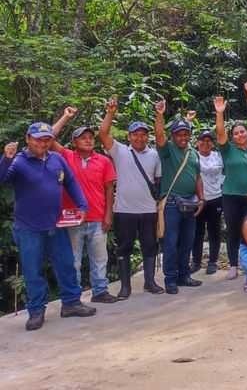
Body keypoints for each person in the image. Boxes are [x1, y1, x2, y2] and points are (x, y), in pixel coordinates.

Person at [1, 123, 96, 331]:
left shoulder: (57, 159)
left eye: (46, 139)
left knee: (66, 264)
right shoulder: (18, 162)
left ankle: (71, 303)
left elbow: (70, 182)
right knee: (33, 271)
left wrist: (82, 205)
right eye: (38, 139)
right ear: (28, 139)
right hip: (29, 228)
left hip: (56, 225)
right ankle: (36, 311)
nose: (42, 143)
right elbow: (3, 179)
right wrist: (6, 159)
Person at [50, 107, 118, 304]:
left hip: (97, 218)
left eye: (90, 137)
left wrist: (108, 216)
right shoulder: (67, 156)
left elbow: (108, 190)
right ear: (74, 142)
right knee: (73, 262)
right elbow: (49, 137)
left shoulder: (104, 161)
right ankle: (74, 298)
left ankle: (100, 292)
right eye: (83, 137)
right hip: (72, 218)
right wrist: (65, 116)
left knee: (100, 259)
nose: (88, 140)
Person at [99, 98, 164, 297]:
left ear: (148, 137)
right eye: (136, 135)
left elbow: (158, 181)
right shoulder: (119, 151)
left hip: (148, 210)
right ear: (129, 136)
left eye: (143, 135)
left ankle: (150, 282)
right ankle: (125, 286)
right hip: (124, 210)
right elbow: (103, 134)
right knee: (124, 247)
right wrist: (110, 112)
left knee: (149, 246)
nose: (140, 138)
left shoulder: (154, 155)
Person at [213, 95, 247, 281]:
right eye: (235, 133)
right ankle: (233, 265)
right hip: (230, 196)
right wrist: (219, 113)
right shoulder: (228, 149)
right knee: (233, 231)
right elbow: (220, 133)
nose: (239, 135)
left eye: (242, 132)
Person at [154, 100, 204, 294]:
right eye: (179, 134)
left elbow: (198, 176)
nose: (183, 137)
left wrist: (202, 199)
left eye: (185, 134)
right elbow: (159, 136)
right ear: (173, 136)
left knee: (187, 241)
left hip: (190, 202)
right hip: (173, 203)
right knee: (171, 241)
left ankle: (184, 275)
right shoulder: (167, 151)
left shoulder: (193, 153)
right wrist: (160, 115)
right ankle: (170, 279)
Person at [192, 129, 224, 275]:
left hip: (216, 198)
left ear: (212, 143)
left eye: (209, 140)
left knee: (214, 232)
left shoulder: (218, 156)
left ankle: (212, 261)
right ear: (197, 142)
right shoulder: (192, 156)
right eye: (202, 140)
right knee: (197, 232)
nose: (205, 143)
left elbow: (226, 172)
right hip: (198, 200)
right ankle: (196, 261)